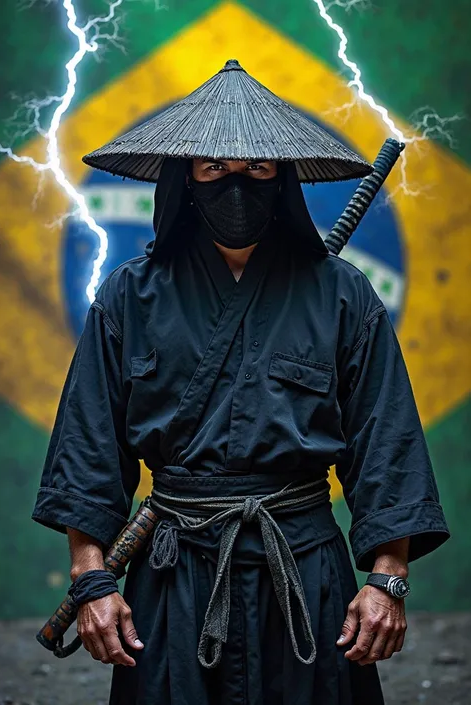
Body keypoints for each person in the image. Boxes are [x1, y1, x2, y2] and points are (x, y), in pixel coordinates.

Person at [32, 60, 449, 705]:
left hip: (306, 571)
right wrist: (93, 580)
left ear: (281, 177)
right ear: (185, 178)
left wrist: (387, 578)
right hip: (171, 570)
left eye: (257, 168)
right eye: (214, 168)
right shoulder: (129, 297)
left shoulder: (340, 294)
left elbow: (384, 437)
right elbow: (89, 451)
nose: (237, 183)